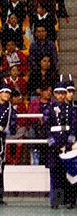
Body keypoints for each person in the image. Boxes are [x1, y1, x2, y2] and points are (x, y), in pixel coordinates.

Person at [43, 79, 77, 209]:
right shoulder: (49, 108)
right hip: (55, 143)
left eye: (63, 93)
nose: (61, 96)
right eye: (58, 93)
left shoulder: (71, 109)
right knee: (55, 173)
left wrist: (69, 144)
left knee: (69, 173)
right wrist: (53, 144)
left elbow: (74, 127)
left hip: (66, 142)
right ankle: (55, 201)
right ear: (55, 94)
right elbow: (46, 128)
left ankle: (70, 200)